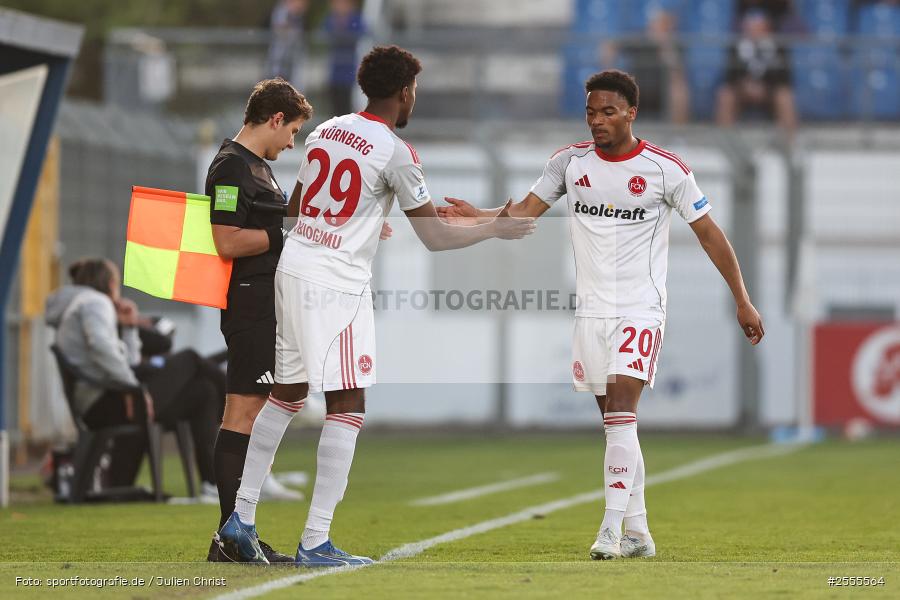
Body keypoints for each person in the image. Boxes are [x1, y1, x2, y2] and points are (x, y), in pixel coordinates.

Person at [214, 45, 535, 565]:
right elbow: (434, 238)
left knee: (288, 394)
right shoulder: (396, 152)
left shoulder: (327, 130)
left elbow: (298, 210)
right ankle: (316, 539)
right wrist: (495, 228)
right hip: (337, 284)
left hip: (294, 269)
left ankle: (240, 518)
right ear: (406, 91)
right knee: (348, 405)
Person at [437, 70, 764, 560]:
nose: (597, 121)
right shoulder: (569, 164)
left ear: (631, 112)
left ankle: (610, 531)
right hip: (590, 311)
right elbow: (524, 213)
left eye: (608, 112)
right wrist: (479, 218)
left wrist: (742, 298)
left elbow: (711, 235)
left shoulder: (665, 169)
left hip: (640, 308)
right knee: (617, 425)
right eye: (591, 112)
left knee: (619, 412)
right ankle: (639, 531)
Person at [206, 77, 313, 563]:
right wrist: (285, 235)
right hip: (251, 302)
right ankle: (230, 538)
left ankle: (237, 533)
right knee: (244, 412)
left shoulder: (255, 168)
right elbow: (227, 242)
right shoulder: (231, 167)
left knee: (253, 410)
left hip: (266, 300)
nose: (291, 143)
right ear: (274, 119)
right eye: (290, 131)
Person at [46, 258, 222, 495]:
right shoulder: (95, 303)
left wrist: (129, 327)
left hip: (105, 401)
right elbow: (101, 349)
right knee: (190, 358)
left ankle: (211, 484)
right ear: (110, 283)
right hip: (107, 403)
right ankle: (244, 406)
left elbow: (130, 363)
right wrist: (134, 389)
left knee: (203, 392)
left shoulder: (81, 305)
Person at [716, 10, 797, 139]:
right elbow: (729, 75)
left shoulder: (779, 47)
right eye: (750, 27)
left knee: (785, 96)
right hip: (742, 91)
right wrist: (744, 85)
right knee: (725, 95)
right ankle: (726, 140)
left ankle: (789, 143)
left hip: (769, 91)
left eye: (758, 27)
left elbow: (785, 76)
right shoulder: (735, 46)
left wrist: (765, 87)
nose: (753, 31)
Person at [323, 0, 366, 116]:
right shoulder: (331, 19)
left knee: (348, 108)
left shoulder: (356, 19)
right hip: (334, 72)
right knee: (334, 108)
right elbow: (324, 33)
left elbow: (362, 32)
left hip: (350, 72)